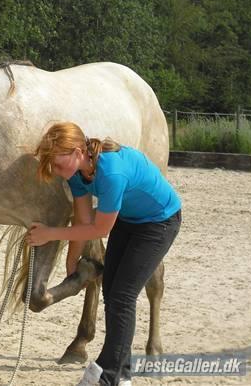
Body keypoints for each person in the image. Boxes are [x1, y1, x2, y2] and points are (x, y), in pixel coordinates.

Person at [26, 122, 181, 386]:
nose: (56, 171)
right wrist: (71, 261)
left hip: (159, 222)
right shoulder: (76, 175)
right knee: (112, 292)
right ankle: (123, 373)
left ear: (77, 152)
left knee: (123, 296)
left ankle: (108, 376)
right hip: (129, 220)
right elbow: (83, 222)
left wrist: (50, 233)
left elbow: (100, 228)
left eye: (57, 163)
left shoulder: (111, 172)